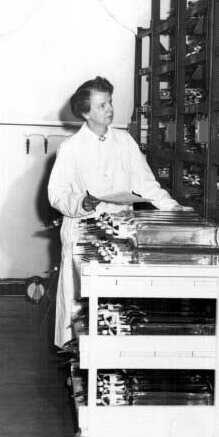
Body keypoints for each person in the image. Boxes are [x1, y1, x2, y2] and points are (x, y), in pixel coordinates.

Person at [47, 76, 180, 348]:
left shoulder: (125, 141)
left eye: (109, 102)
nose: (109, 109)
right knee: (82, 302)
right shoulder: (70, 148)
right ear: (85, 112)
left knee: (118, 303)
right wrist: (80, 202)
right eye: (101, 105)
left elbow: (146, 184)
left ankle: (114, 362)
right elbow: (56, 194)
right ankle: (79, 361)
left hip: (120, 232)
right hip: (84, 233)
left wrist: (173, 208)